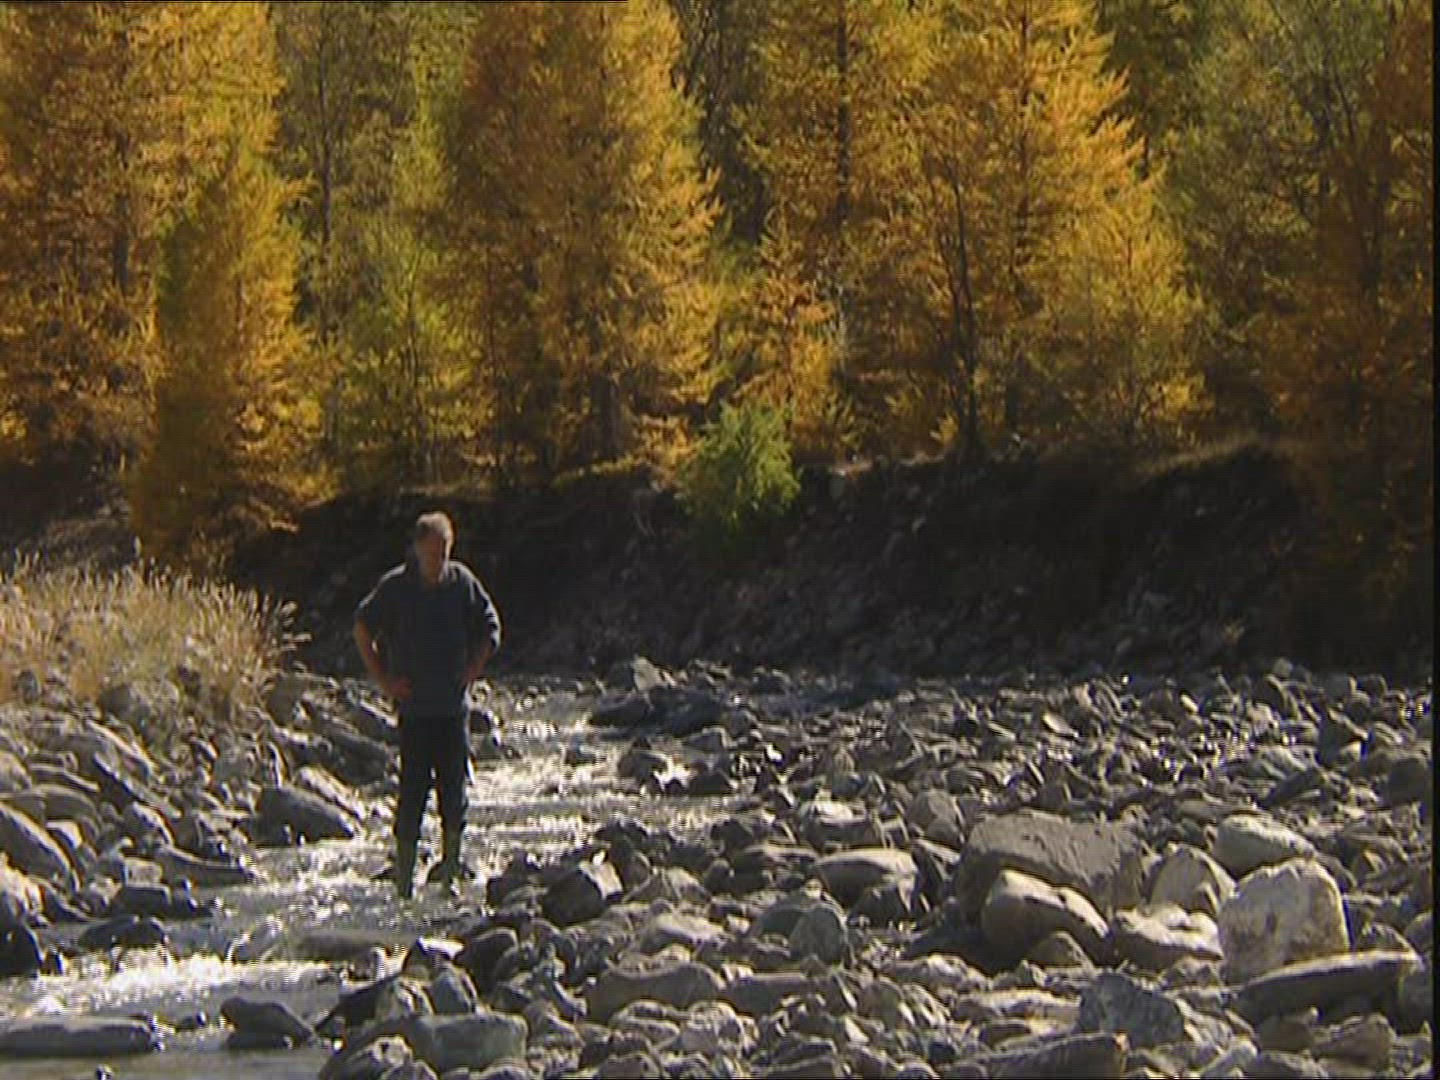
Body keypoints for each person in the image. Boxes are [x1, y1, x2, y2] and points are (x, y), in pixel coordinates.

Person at [353, 511, 502, 898]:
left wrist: (474, 668)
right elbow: (362, 628)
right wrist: (384, 681)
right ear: (417, 549)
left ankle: (450, 875)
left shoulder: (461, 582)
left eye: (445, 552)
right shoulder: (396, 587)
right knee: (412, 797)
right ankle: (404, 886)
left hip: (452, 710)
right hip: (415, 712)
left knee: (454, 796)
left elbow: (491, 627)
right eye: (433, 553)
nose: (439, 561)